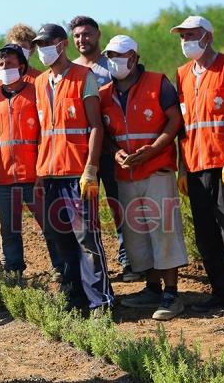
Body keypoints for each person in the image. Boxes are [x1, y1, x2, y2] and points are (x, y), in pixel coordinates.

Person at [171, 15, 224, 321]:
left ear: (207, 37)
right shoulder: (182, 75)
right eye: (182, 36)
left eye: (190, 35)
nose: (185, 41)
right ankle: (221, 292)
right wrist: (182, 169)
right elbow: (185, 126)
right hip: (196, 166)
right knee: (206, 235)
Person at [98, 35, 188, 320]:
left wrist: (155, 149)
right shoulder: (104, 94)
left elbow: (175, 119)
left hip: (156, 169)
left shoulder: (158, 83)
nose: (114, 61)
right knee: (136, 234)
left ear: (134, 57)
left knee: (164, 230)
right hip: (125, 173)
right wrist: (114, 154)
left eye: (119, 55)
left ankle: (171, 294)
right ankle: (152, 287)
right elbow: (105, 134)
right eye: (110, 55)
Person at [31, 23, 114, 313]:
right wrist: (40, 174)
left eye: (47, 43)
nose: (42, 50)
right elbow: (43, 132)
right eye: (39, 45)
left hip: (78, 174)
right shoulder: (40, 83)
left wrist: (91, 169)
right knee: (61, 239)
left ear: (62, 44)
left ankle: (100, 302)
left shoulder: (83, 77)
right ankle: (74, 300)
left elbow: (95, 127)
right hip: (50, 175)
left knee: (86, 239)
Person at [0, 25, 63, 281]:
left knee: (50, 225)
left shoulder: (38, 91)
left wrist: (44, 170)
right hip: (4, 176)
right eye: (0, 64)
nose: (5, 68)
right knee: (9, 229)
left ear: (21, 67)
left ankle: (60, 268)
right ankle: (14, 271)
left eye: (10, 63)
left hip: (35, 174)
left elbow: (47, 133)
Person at [70, 15, 139, 282]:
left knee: (118, 204)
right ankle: (93, 265)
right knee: (86, 210)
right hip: (81, 152)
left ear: (97, 35)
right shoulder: (72, 69)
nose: (82, 40)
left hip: (112, 148)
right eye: (77, 36)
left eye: (86, 34)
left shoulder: (110, 67)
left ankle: (129, 259)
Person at [0, 23, 42, 90]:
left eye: (23, 47)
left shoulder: (39, 78)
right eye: (15, 47)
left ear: (31, 50)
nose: (19, 50)